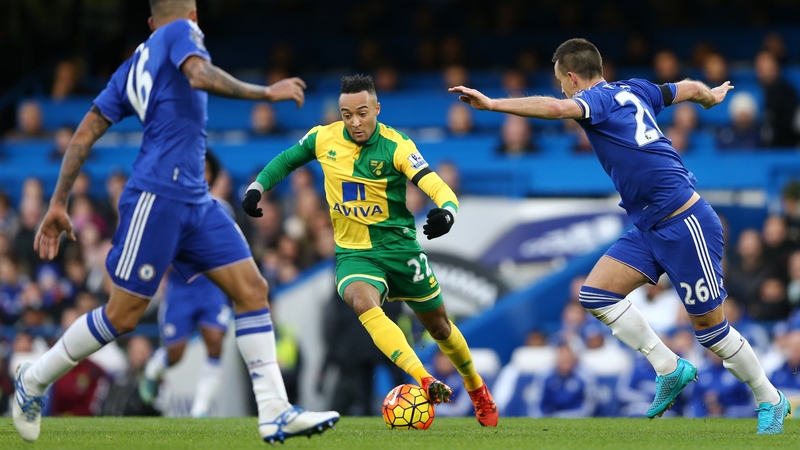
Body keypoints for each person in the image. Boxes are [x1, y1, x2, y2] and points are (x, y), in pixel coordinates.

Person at [12, 0, 338, 444]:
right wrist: (266, 93)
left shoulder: (131, 66)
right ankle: (33, 379)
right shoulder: (180, 33)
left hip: (195, 201)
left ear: (149, 22)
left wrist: (58, 201)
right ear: (193, 16)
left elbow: (87, 128)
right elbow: (199, 74)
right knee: (122, 316)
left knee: (252, 290)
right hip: (157, 197)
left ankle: (275, 411)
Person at [450, 38, 789, 434]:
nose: (561, 88)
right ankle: (669, 366)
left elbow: (558, 108)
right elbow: (689, 87)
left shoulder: (596, 101)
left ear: (573, 77)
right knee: (595, 295)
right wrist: (709, 97)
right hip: (649, 225)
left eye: (561, 80)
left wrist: (493, 104)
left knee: (712, 332)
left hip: (685, 223)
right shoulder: (637, 88)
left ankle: (771, 398)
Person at [242, 74, 499, 427]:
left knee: (439, 328)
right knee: (362, 300)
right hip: (353, 253)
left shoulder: (397, 145)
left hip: (399, 249)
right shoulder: (323, 138)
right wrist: (258, 186)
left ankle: (476, 388)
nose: (355, 122)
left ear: (376, 108)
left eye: (362, 113)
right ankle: (423, 378)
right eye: (347, 115)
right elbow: (286, 160)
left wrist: (447, 211)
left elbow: (436, 185)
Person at [138, 150, 232, 418]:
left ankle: (200, 412)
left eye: (207, 170)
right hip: (181, 288)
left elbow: (230, 250)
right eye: (197, 169)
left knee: (215, 341)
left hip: (211, 286)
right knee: (176, 353)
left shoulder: (221, 208)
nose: (202, 175)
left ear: (212, 175)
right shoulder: (169, 207)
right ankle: (153, 369)